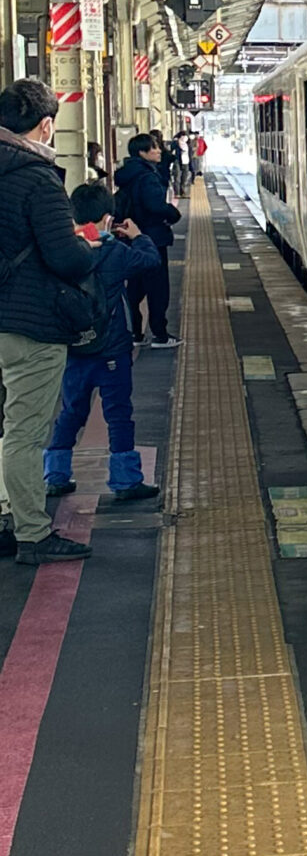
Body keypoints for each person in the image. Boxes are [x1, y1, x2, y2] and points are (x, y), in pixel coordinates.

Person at [0, 78, 104, 562]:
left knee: (5, 430)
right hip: (29, 324)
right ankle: (32, 533)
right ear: (45, 126)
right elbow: (65, 258)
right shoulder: (36, 177)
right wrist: (86, 246)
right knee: (23, 432)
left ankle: (6, 518)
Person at [44, 183, 160, 505]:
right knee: (119, 414)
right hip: (112, 350)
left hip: (73, 349)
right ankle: (125, 479)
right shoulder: (115, 252)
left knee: (70, 412)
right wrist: (136, 235)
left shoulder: (62, 252)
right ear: (108, 217)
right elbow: (150, 261)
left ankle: (54, 474)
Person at [114, 133, 181, 348]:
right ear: (142, 152)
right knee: (158, 288)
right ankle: (160, 335)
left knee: (136, 286)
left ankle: (135, 333)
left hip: (134, 236)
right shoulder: (147, 176)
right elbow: (155, 205)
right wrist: (172, 214)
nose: (159, 150)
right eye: (154, 148)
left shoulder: (128, 174)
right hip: (153, 237)